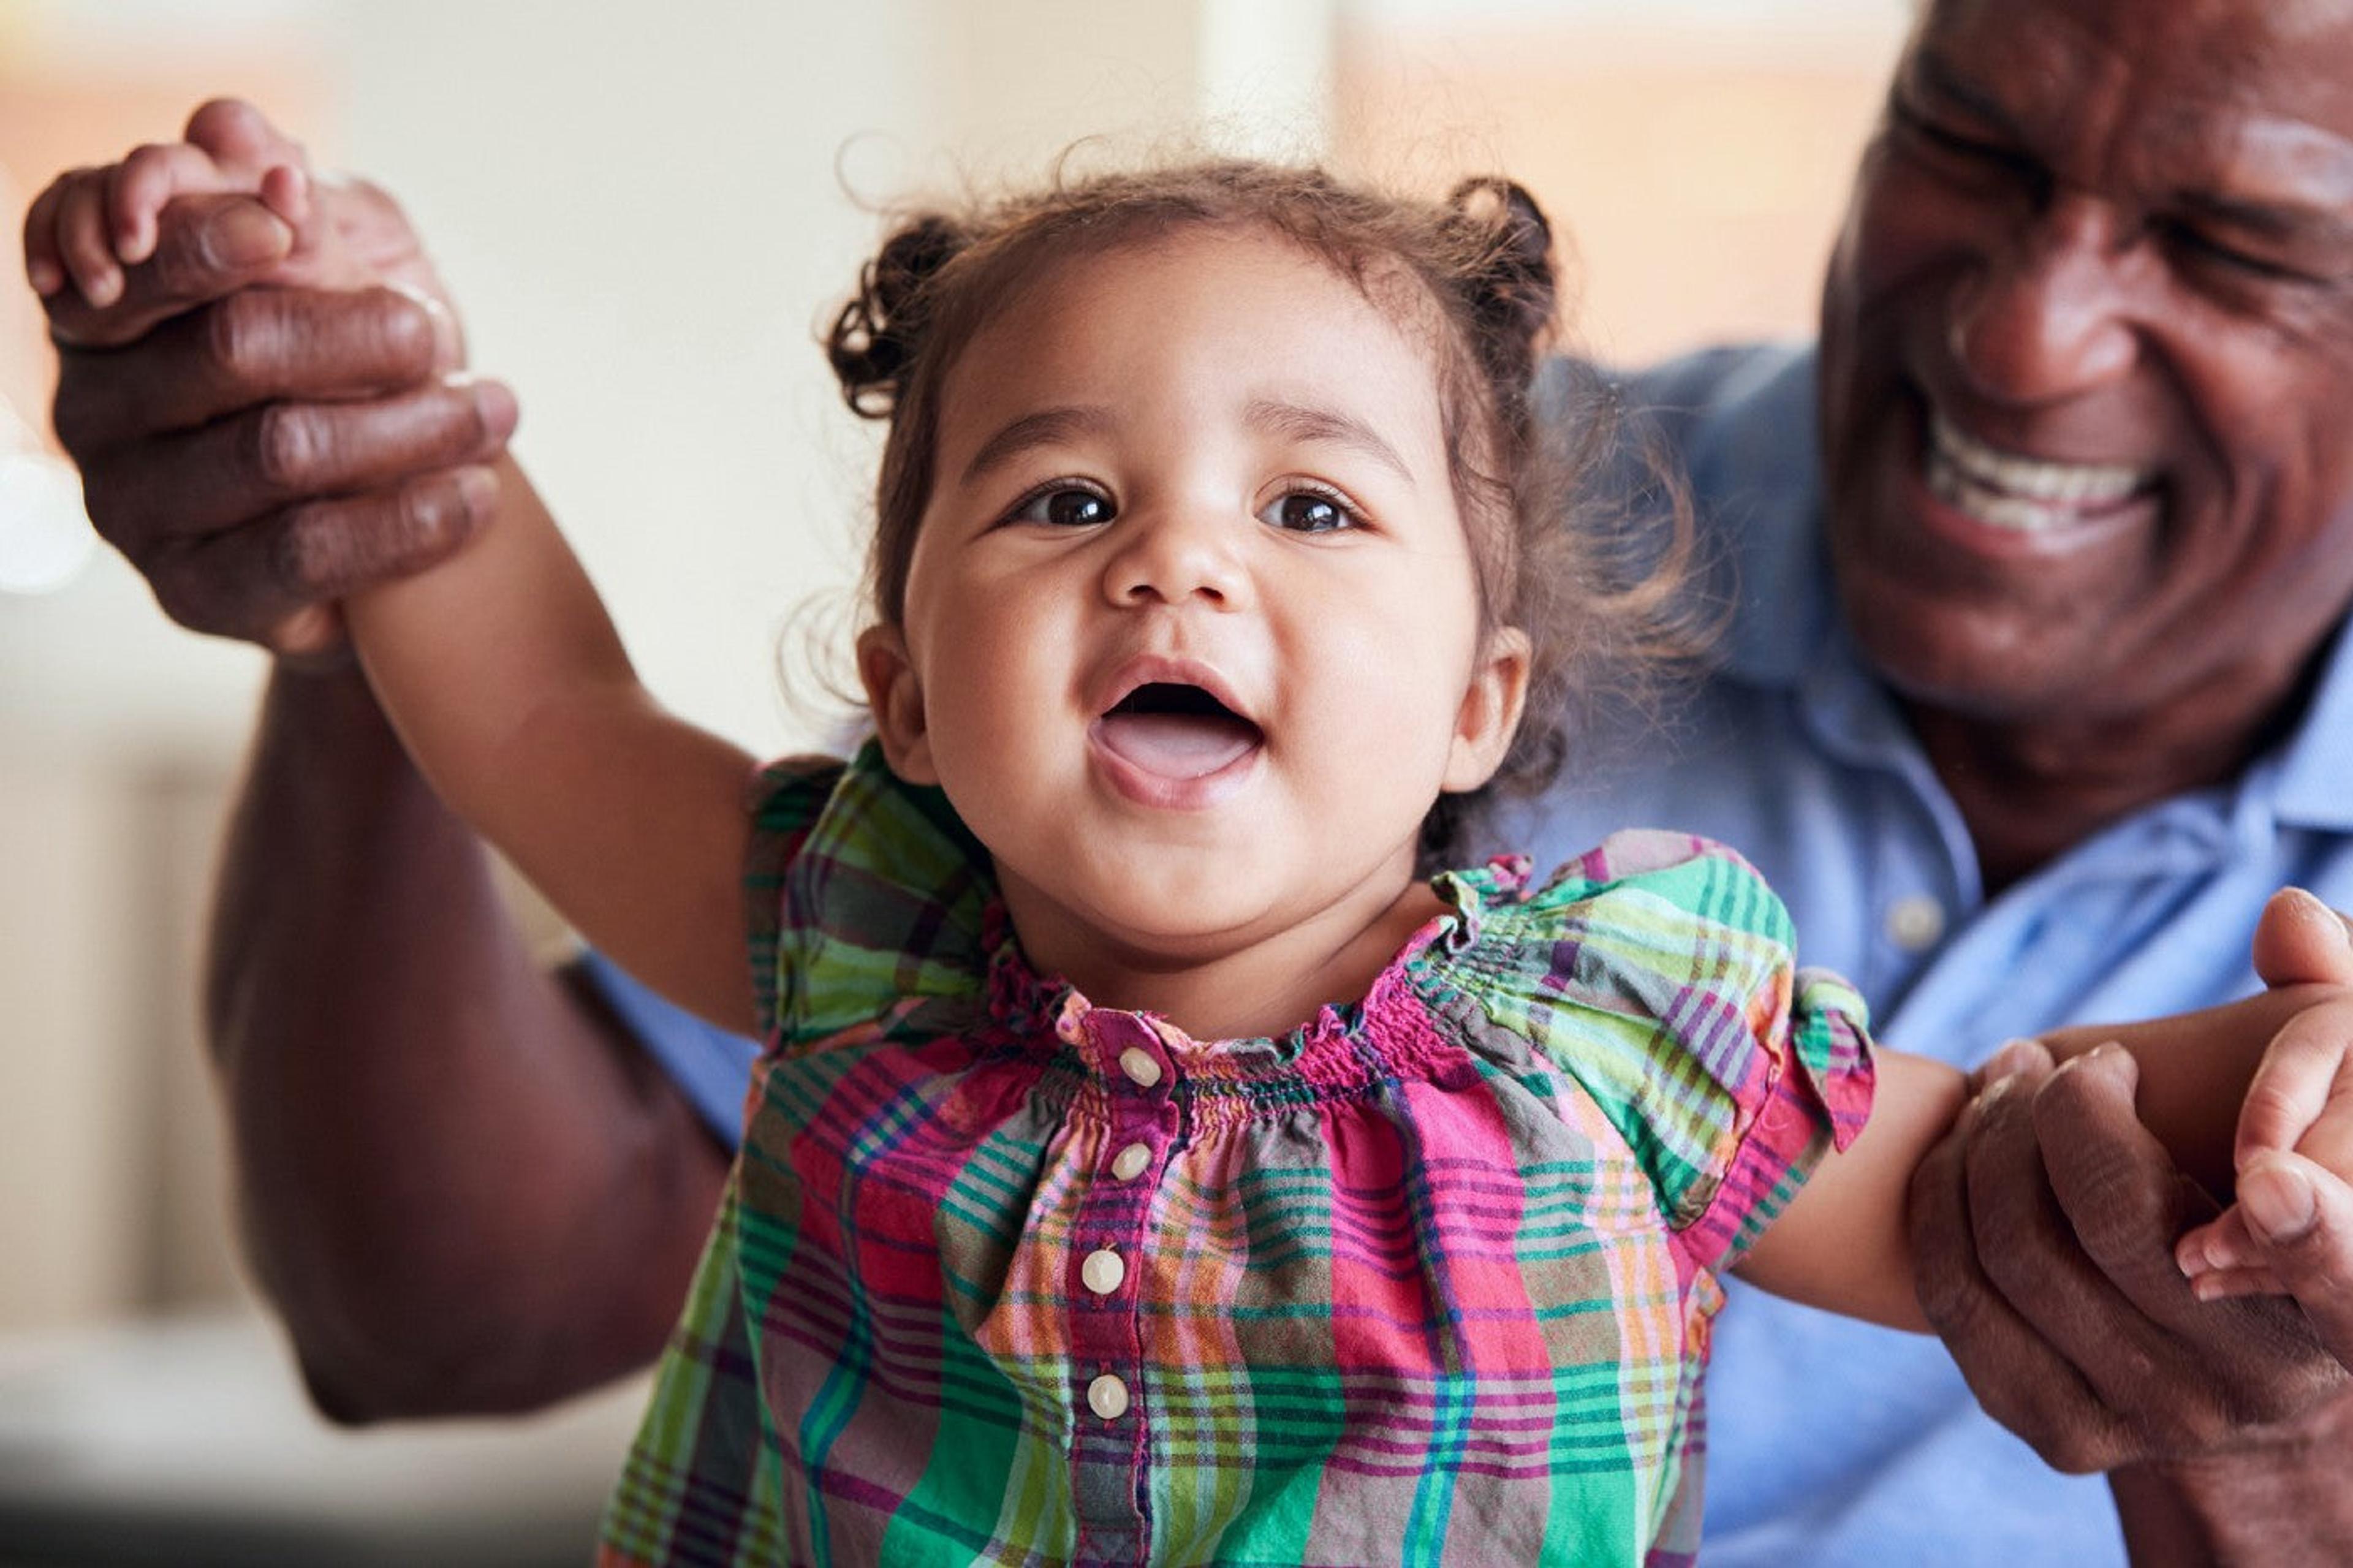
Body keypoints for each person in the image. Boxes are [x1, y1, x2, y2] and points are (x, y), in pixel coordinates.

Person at [27, 0, 2353, 1555]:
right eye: (1060, 502)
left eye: (1313, 510)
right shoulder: (854, 917)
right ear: (908, 689)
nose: (1175, 569)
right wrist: (356, 361)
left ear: (1481, 704)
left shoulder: (1629, 1037)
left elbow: (2003, 1147)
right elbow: (537, 715)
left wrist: (2302, 1097)